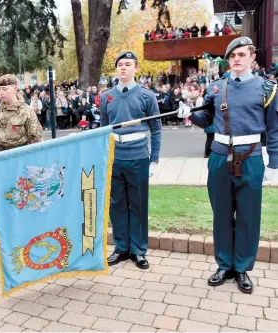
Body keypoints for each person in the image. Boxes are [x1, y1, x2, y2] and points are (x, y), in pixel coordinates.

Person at [178, 37, 278, 294]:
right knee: (221, 213)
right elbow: (207, 119)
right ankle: (224, 265)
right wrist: (189, 114)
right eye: (232, 55)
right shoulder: (215, 87)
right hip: (220, 157)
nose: (236, 59)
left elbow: (274, 130)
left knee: (248, 216)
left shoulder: (267, 89)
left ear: (252, 57)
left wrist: (273, 163)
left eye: (242, 54)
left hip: (252, 158)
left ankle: (242, 268)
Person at [100, 51, 162, 269]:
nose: (123, 67)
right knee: (116, 205)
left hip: (138, 157)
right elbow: (103, 129)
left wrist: (154, 160)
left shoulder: (147, 96)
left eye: (128, 64)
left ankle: (138, 250)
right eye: (120, 64)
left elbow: (156, 129)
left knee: (138, 204)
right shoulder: (106, 96)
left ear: (136, 68)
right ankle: (121, 247)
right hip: (115, 158)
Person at [0, 74, 43, 156]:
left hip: (19, 157)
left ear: (15, 89)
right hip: (0, 157)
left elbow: (36, 139)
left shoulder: (27, 111)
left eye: (4, 89)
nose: (1, 93)